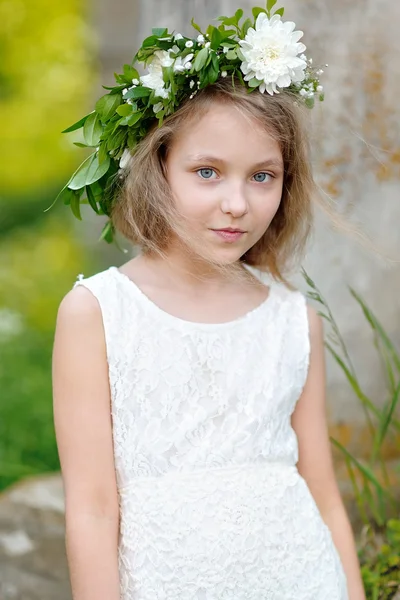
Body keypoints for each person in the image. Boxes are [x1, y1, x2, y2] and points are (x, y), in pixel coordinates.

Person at [52, 4, 367, 599]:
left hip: (300, 578)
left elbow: (321, 488)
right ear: (158, 166)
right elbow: (91, 509)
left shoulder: (292, 320)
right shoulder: (98, 313)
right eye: (207, 172)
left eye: (262, 176)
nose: (236, 204)